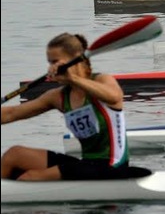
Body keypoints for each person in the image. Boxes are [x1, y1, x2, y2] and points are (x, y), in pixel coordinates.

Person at [1, 33, 143, 181]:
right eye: (49, 63)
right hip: (87, 164)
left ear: (76, 59)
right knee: (14, 155)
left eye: (55, 62)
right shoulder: (57, 96)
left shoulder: (102, 80)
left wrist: (73, 78)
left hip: (112, 165)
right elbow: (12, 113)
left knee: (29, 177)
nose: (51, 68)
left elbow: (115, 97)